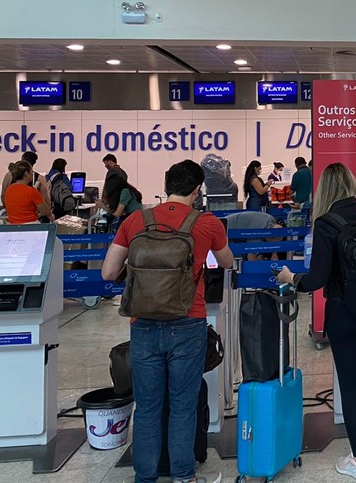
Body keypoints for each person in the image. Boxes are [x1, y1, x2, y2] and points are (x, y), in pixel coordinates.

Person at [101, 160, 232, 483]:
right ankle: (183, 476)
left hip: (143, 323)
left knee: (146, 407)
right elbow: (227, 261)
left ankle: (144, 477)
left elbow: (107, 272)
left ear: (167, 185)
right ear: (197, 189)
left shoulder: (135, 220)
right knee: (183, 406)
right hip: (188, 323)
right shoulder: (206, 223)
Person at [276, 163, 356, 482]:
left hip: (345, 312)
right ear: (351, 184)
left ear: (324, 189)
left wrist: (290, 277)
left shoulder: (326, 224)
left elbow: (316, 279)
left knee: (352, 381)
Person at [3, 160, 53, 224]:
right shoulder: (32, 191)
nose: (32, 174)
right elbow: (45, 211)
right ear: (26, 173)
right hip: (30, 226)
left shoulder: (9, 190)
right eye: (31, 171)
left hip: (13, 226)